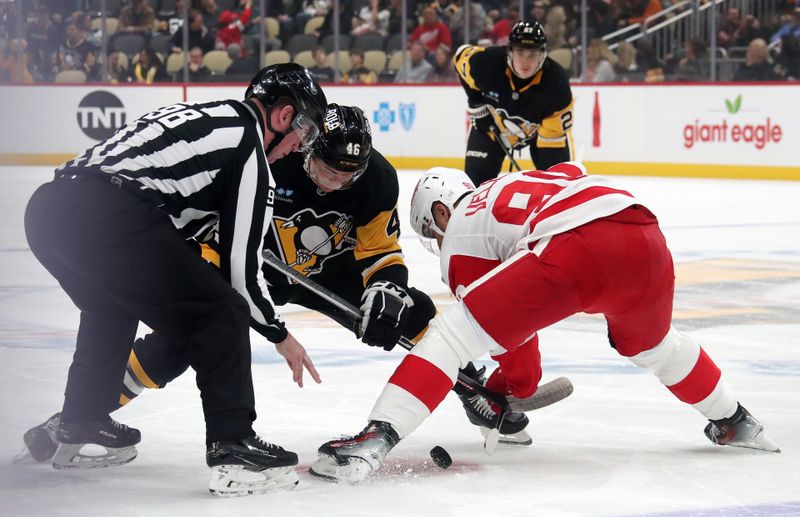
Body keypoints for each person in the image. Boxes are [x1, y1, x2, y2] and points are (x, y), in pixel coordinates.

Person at [18, 104, 531, 472]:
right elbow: (217, 226)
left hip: (325, 274)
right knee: (189, 336)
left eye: (347, 176)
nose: (336, 182)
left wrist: (386, 288)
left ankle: (475, 388)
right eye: (329, 169)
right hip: (247, 261)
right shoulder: (273, 157)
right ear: (308, 150)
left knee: (408, 312)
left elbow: (379, 251)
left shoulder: (376, 179)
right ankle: (82, 414)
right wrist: (217, 279)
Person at [310, 163, 781, 482]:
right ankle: (734, 420)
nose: (438, 240)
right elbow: (571, 171)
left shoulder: (458, 239)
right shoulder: (516, 180)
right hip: (644, 232)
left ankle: (373, 440)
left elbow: (519, 354)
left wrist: (501, 396)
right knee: (656, 348)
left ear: (439, 212)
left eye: (432, 229)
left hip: (578, 242)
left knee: (450, 336)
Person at [21, 63, 328, 497]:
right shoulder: (248, 148)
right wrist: (279, 333)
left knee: (109, 309)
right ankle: (233, 443)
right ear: (283, 116)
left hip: (49, 210)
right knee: (222, 310)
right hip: (107, 214)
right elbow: (240, 272)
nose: (300, 148)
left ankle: (81, 419)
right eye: (307, 133)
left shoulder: (204, 115)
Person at [453, 20, 574, 186]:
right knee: (474, 186)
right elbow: (460, 56)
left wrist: (551, 182)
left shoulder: (556, 84)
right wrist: (475, 103)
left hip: (540, 134)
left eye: (532, 54)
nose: (525, 61)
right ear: (509, 51)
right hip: (491, 127)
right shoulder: (488, 62)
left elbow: (551, 146)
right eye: (520, 52)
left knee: (557, 185)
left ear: (543, 54)